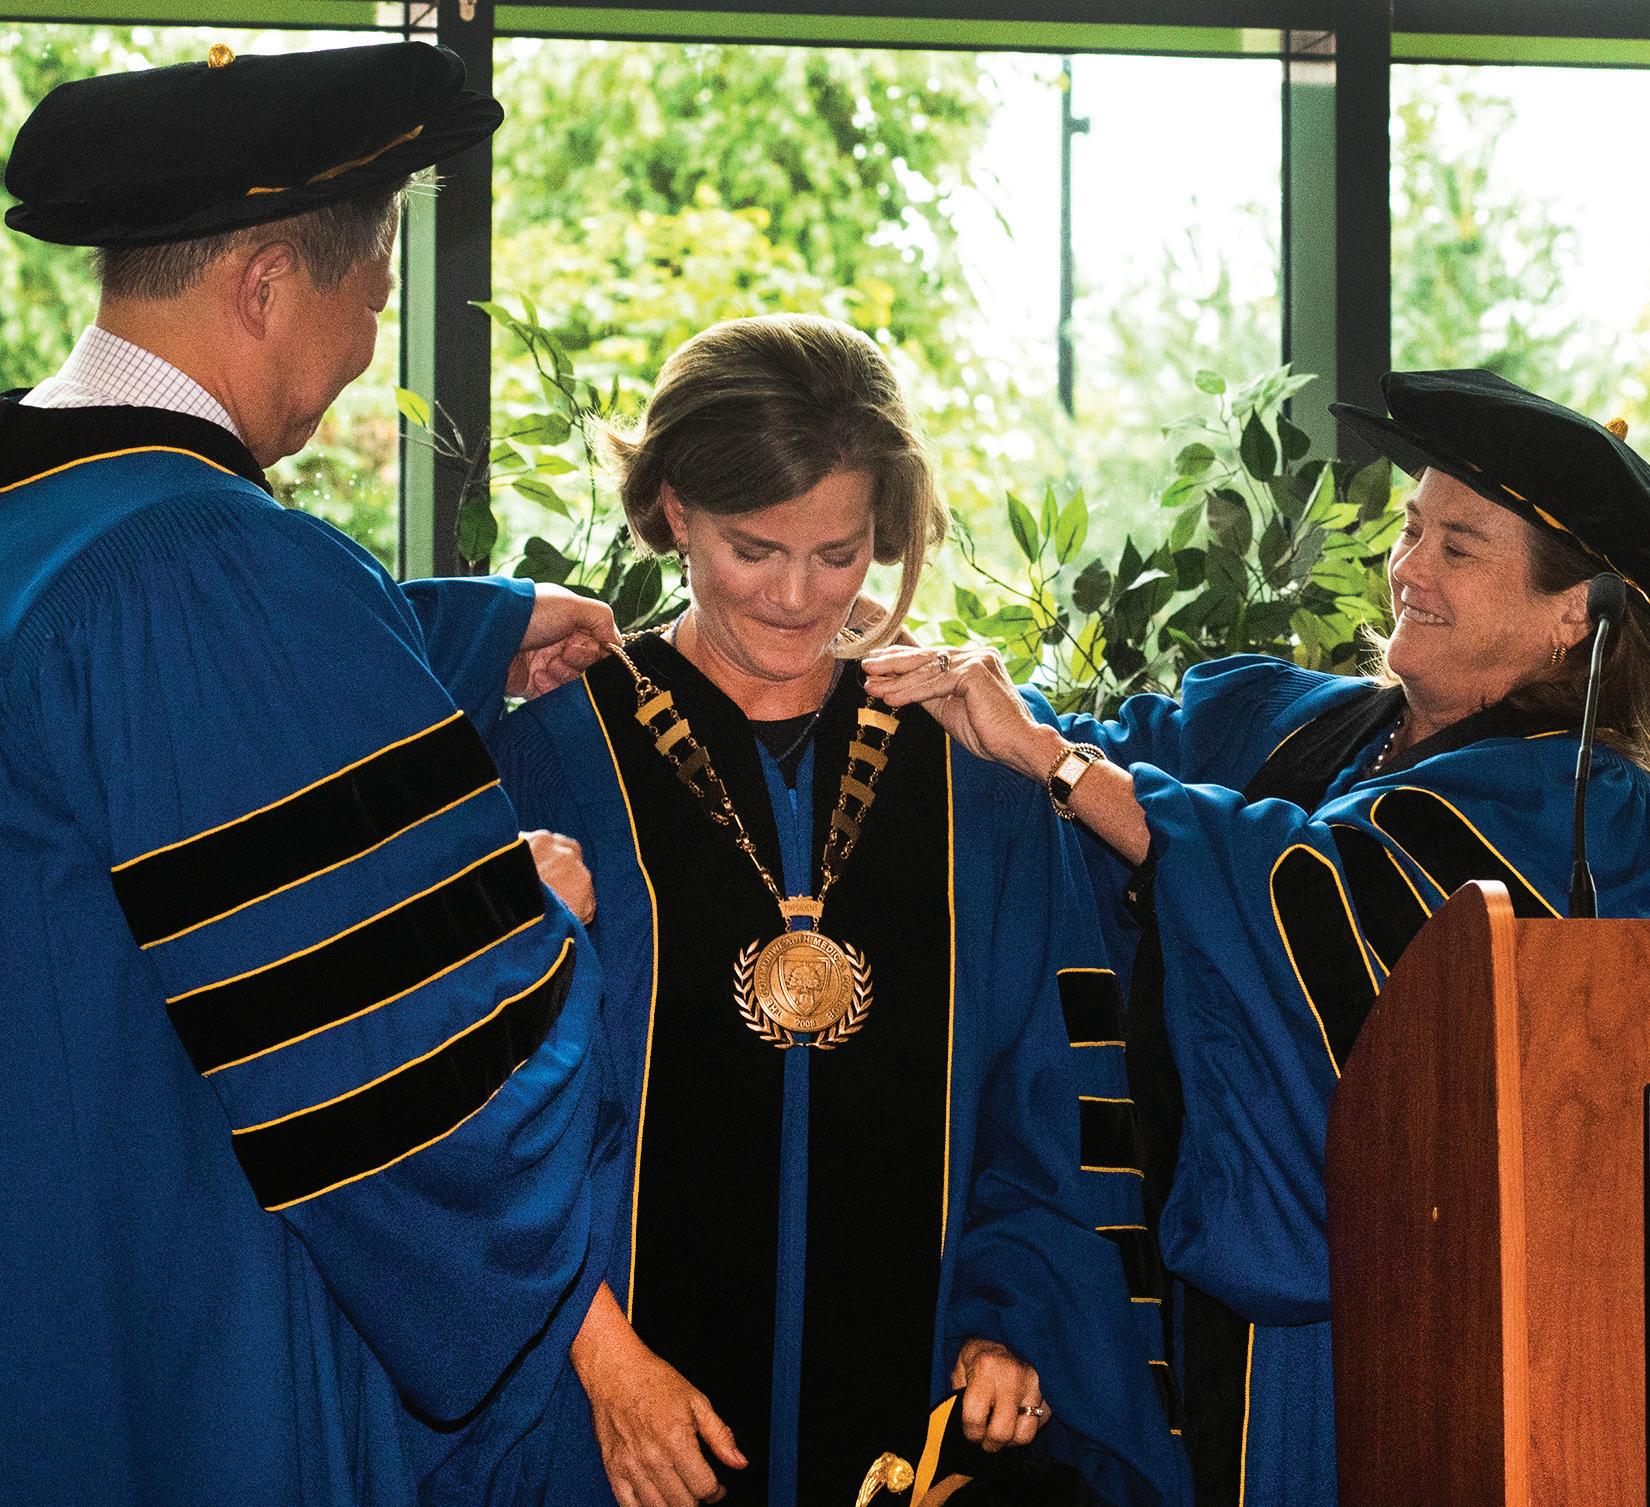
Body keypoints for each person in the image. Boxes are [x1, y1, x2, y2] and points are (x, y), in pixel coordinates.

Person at [0, 41, 620, 1507]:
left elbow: (132, 735)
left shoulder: (48, 506)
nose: (361, 357)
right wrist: (536, 914)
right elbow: (403, 1084)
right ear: (268, 282)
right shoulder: (210, 570)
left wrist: (467, 630)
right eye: (376, 303)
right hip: (162, 1340)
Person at [863, 368, 1650, 1507]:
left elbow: (1315, 890)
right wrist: (880, 656)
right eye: (1412, 528)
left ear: (1574, 615)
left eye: (1459, 547)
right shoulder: (1310, 725)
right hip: (1180, 1281)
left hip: (1378, 1316)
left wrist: (1065, 768)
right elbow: (1082, 746)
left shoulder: (1581, 811)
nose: (1408, 569)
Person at [484, 313, 1191, 1507]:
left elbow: (1046, 1099)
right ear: (673, 510)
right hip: (614, 1419)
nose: (797, 596)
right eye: (755, 549)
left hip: (910, 1444)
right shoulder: (556, 759)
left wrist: (1010, 1319)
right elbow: (479, 1121)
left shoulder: (969, 778)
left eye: (840, 552)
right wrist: (598, 1361)